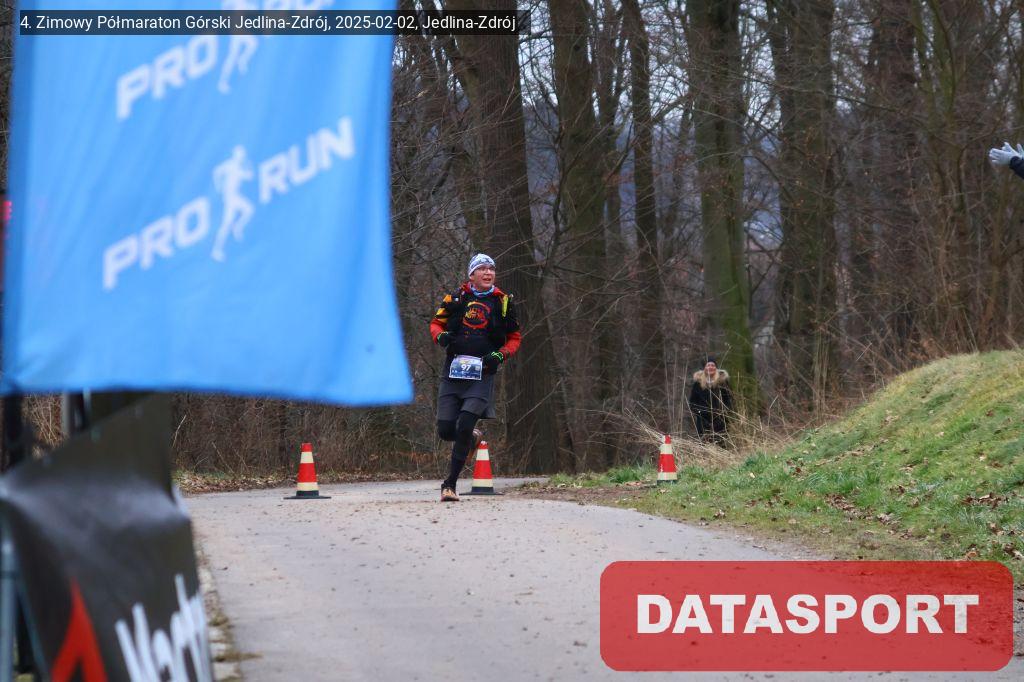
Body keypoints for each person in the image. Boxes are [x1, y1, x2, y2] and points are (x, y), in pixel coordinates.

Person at [430, 254, 521, 501]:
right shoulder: (455, 298)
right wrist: (441, 337)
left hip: (482, 376)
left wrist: (500, 355)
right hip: (453, 373)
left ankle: (449, 485)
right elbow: (436, 324)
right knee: (446, 430)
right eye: (482, 268)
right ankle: (472, 437)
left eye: (491, 269)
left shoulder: (503, 302)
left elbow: (514, 338)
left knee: (463, 425)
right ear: (472, 275)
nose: (488, 272)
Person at [688, 357, 733, 444]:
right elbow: (692, 402)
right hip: (703, 420)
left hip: (720, 419)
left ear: (716, 368)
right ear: (704, 368)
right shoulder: (698, 384)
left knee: (720, 443)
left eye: (713, 365)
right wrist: (699, 412)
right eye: (708, 365)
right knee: (704, 444)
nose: (710, 367)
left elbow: (729, 399)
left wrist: (724, 412)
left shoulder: (722, 383)